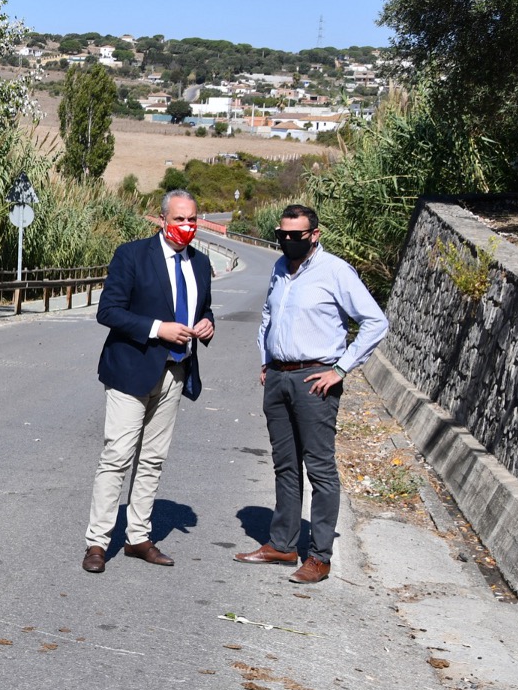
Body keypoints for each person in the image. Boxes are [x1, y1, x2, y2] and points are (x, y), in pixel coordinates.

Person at [237, 204, 388, 584]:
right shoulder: (278, 269)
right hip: (278, 377)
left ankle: (319, 556)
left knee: (320, 469)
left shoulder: (335, 271)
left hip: (314, 379)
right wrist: (265, 361)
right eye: (282, 235)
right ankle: (283, 544)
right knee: (285, 466)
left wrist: (340, 369)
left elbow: (375, 322)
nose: (288, 241)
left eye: (296, 236)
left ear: (314, 235)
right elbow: (270, 318)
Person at [83, 189, 215, 573]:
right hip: (131, 370)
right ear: (162, 220)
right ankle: (97, 542)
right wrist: (159, 329)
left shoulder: (202, 265)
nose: (187, 226)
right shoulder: (133, 255)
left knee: (153, 459)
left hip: (175, 372)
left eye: (192, 219)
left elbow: (202, 308)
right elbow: (108, 311)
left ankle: (138, 537)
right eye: (179, 220)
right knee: (117, 456)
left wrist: (208, 325)